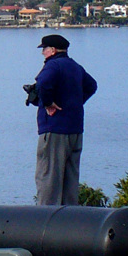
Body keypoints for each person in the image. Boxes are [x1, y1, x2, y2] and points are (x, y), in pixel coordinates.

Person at [31, 33, 97, 206]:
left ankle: (46, 220)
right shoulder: (75, 66)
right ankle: (69, 219)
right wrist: (75, 103)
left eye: (44, 49)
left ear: (52, 50)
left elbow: (43, 83)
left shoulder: (53, 66)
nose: (42, 53)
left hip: (54, 129)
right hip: (75, 129)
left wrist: (48, 103)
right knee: (70, 179)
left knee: (48, 176)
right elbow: (92, 85)